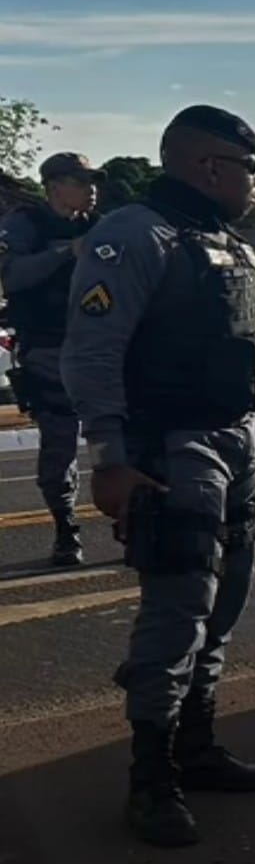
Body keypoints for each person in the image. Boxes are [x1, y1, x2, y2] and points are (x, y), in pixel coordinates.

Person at [62, 105, 255, 847]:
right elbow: (92, 354)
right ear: (210, 167)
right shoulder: (132, 237)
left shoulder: (231, 248)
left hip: (243, 443)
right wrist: (110, 459)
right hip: (173, 451)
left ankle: (197, 748)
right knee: (177, 613)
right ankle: (151, 781)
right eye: (249, 172)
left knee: (225, 606)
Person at [0, 153, 103, 566]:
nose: (92, 188)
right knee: (59, 445)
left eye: (94, 181)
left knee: (128, 437)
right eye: (81, 181)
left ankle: (135, 521)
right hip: (47, 349)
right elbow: (11, 277)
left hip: (100, 348)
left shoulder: (102, 226)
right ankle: (66, 528)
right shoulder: (24, 225)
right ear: (55, 186)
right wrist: (68, 253)